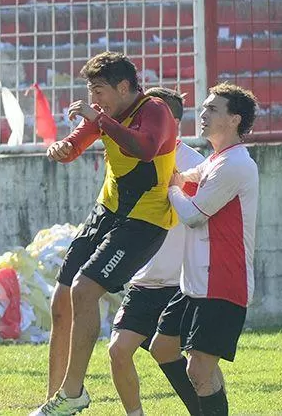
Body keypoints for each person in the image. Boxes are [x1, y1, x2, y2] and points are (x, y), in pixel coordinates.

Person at [34, 52, 178, 416]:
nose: (93, 98)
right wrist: (63, 149)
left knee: (85, 289)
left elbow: (143, 148)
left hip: (144, 223)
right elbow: (77, 142)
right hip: (107, 211)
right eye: (90, 90)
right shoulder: (106, 114)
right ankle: (57, 400)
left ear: (125, 87)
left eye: (98, 90)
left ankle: (73, 394)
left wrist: (97, 117)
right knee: (61, 300)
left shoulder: (154, 110)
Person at [149, 83, 259, 416]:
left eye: (212, 109)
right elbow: (183, 177)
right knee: (164, 348)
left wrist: (171, 189)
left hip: (223, 283)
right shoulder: (215, 160)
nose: (203, 113)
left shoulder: (236, 164)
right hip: (197, 282)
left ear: (234, 120)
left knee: (198, 370)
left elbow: (194, 215)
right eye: (204, 107)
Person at [108, 87, 204, 416]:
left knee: (194, 364)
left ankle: (206, 410)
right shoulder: (130, 159)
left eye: (149, 118)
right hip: (144, 282)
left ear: (172, 123)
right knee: (118, 351)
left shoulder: (198, 167)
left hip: (182, 285)